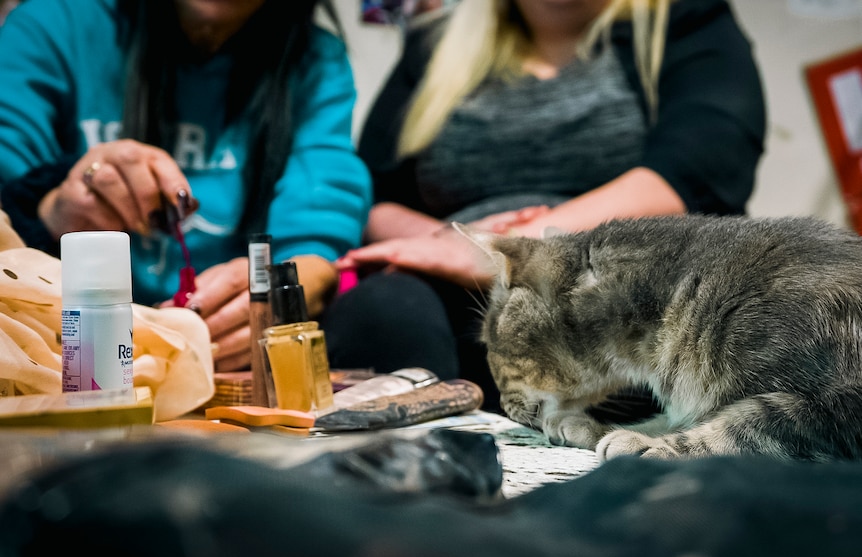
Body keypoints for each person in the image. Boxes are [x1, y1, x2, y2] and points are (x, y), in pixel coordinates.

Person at [321, 0, 766, 413]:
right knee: (380, 309)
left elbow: (699, 172)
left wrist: (508, 251)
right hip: (460, 294)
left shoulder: (687, 19)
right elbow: (374, 195)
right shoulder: (433, 42)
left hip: (622, 281)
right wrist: (453, 247)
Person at [0, 0, 372, 373]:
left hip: (226, 372)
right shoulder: (50, 26)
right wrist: (51, 212)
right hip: (65, 358)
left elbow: (317, 240)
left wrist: (288, 288)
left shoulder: (315, 61)